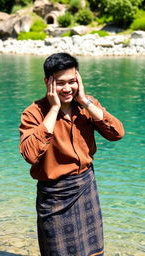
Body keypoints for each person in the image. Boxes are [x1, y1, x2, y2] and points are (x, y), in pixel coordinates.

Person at [19, 52, 124, 256]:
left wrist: (85, 101)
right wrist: (54, 109)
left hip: (85, 186)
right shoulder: (34, 113)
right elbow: (30, 155)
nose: (67, 88)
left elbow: (117, 133)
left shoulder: (87, 106)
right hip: (54, 194)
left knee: (92, 250)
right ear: (47, 82)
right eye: (60, 83)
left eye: (72, 81)